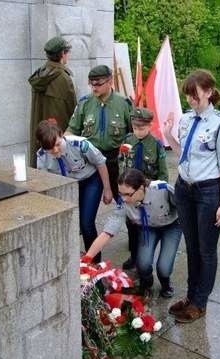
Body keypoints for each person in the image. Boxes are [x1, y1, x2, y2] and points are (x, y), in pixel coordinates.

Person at [163, 69, 220, 323]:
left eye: (194, 95)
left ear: (208, 92)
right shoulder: (185, 119)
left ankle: (200, 302)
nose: (190, 100)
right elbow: (182, 153)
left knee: (206, 250)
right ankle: (190, 296)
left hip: (208, 192)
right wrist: (170, 133)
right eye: (188, 95)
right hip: (184, 189)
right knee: (191, 247)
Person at [83, 168, 181, 298]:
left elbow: (183, 204)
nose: (123, 198)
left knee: (164, 266)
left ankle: (165, 284)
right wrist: (86, 259)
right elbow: (107, 233)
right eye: (120, 193)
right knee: (143, 263)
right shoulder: (123, 203)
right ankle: (146, 282)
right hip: (148, 229)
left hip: (171, 226)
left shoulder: (161, 189)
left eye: (127, 194)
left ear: (141, 188)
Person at [36, 119, 113, 263]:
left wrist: (107, 190)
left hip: (90, 180)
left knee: (86, 223)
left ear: (61, 135)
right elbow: (44, 181)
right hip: (68, 186)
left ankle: (95, 264)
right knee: (70, 222)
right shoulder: (41, 156)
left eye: (57, 145)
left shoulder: (80, 145)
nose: (56, 151)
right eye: (50, 149)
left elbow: (100, 163)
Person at [67, 65, 133, 198]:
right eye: (91, 84)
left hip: (114, 160)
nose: (94, 87)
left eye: (98, 84)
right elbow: (71, 131)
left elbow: (132, 134)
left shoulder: (123, 104)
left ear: (110, 82)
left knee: (121, 200)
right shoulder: (85, 103)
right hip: (90, 161)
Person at [118, 107, 169, 270]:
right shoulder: (128, 140)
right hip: (130, 194)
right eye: (135, 128)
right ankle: (133, 256)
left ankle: (143, 259)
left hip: (147, 193)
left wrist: (159, 194)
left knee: (144, 228)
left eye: (142, 128)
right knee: (131, 227)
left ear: (150, 126)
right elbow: (122, 163)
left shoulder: (156, 145)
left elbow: (163, 172)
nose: (138, 132)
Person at [28, 36, 77, 167]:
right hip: (57, 138)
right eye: (67, 52)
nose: (68, 55)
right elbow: (73, 113)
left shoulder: (40, 73)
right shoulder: (63, 78)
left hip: (42, 133)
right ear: (62, 54)